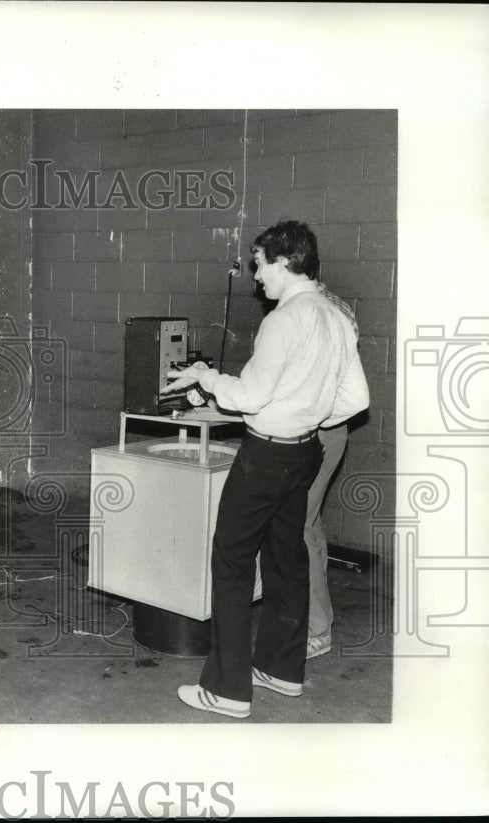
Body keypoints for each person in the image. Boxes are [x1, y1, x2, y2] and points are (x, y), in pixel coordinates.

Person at [167, 220, 368, 718]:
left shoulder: (284, 319)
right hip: (305, 454)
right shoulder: (336, 317)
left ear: (283, 262)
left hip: (267, 456)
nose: (256, 276)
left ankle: (228, 691)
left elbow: (249, 395)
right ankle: (281, 670)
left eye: (259, 263)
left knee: (232, 564)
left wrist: (205, 376)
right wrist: (307, 414)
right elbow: (356, 399)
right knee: (287, 561)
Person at [304, 283, 360, 660]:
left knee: (298, 526)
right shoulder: (328, 306)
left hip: (319, 436)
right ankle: (315, 619)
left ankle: (317, 630)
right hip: (325, 434)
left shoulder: (319, 313)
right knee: (309, 524)